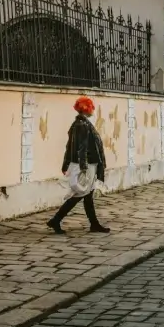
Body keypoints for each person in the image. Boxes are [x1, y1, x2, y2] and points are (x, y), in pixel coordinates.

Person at [46, 96, 110, 234]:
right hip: (87, 165)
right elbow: (82, 148)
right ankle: (56, 220)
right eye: (91, 107)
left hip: (86, 164)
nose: (93, 109)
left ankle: (94, 224)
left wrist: (66, 163)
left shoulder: (79, 124)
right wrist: (84, 168)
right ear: (86, 109)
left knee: (87, 195)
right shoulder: (82, 125)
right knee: (80, 194)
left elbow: (69, 147)